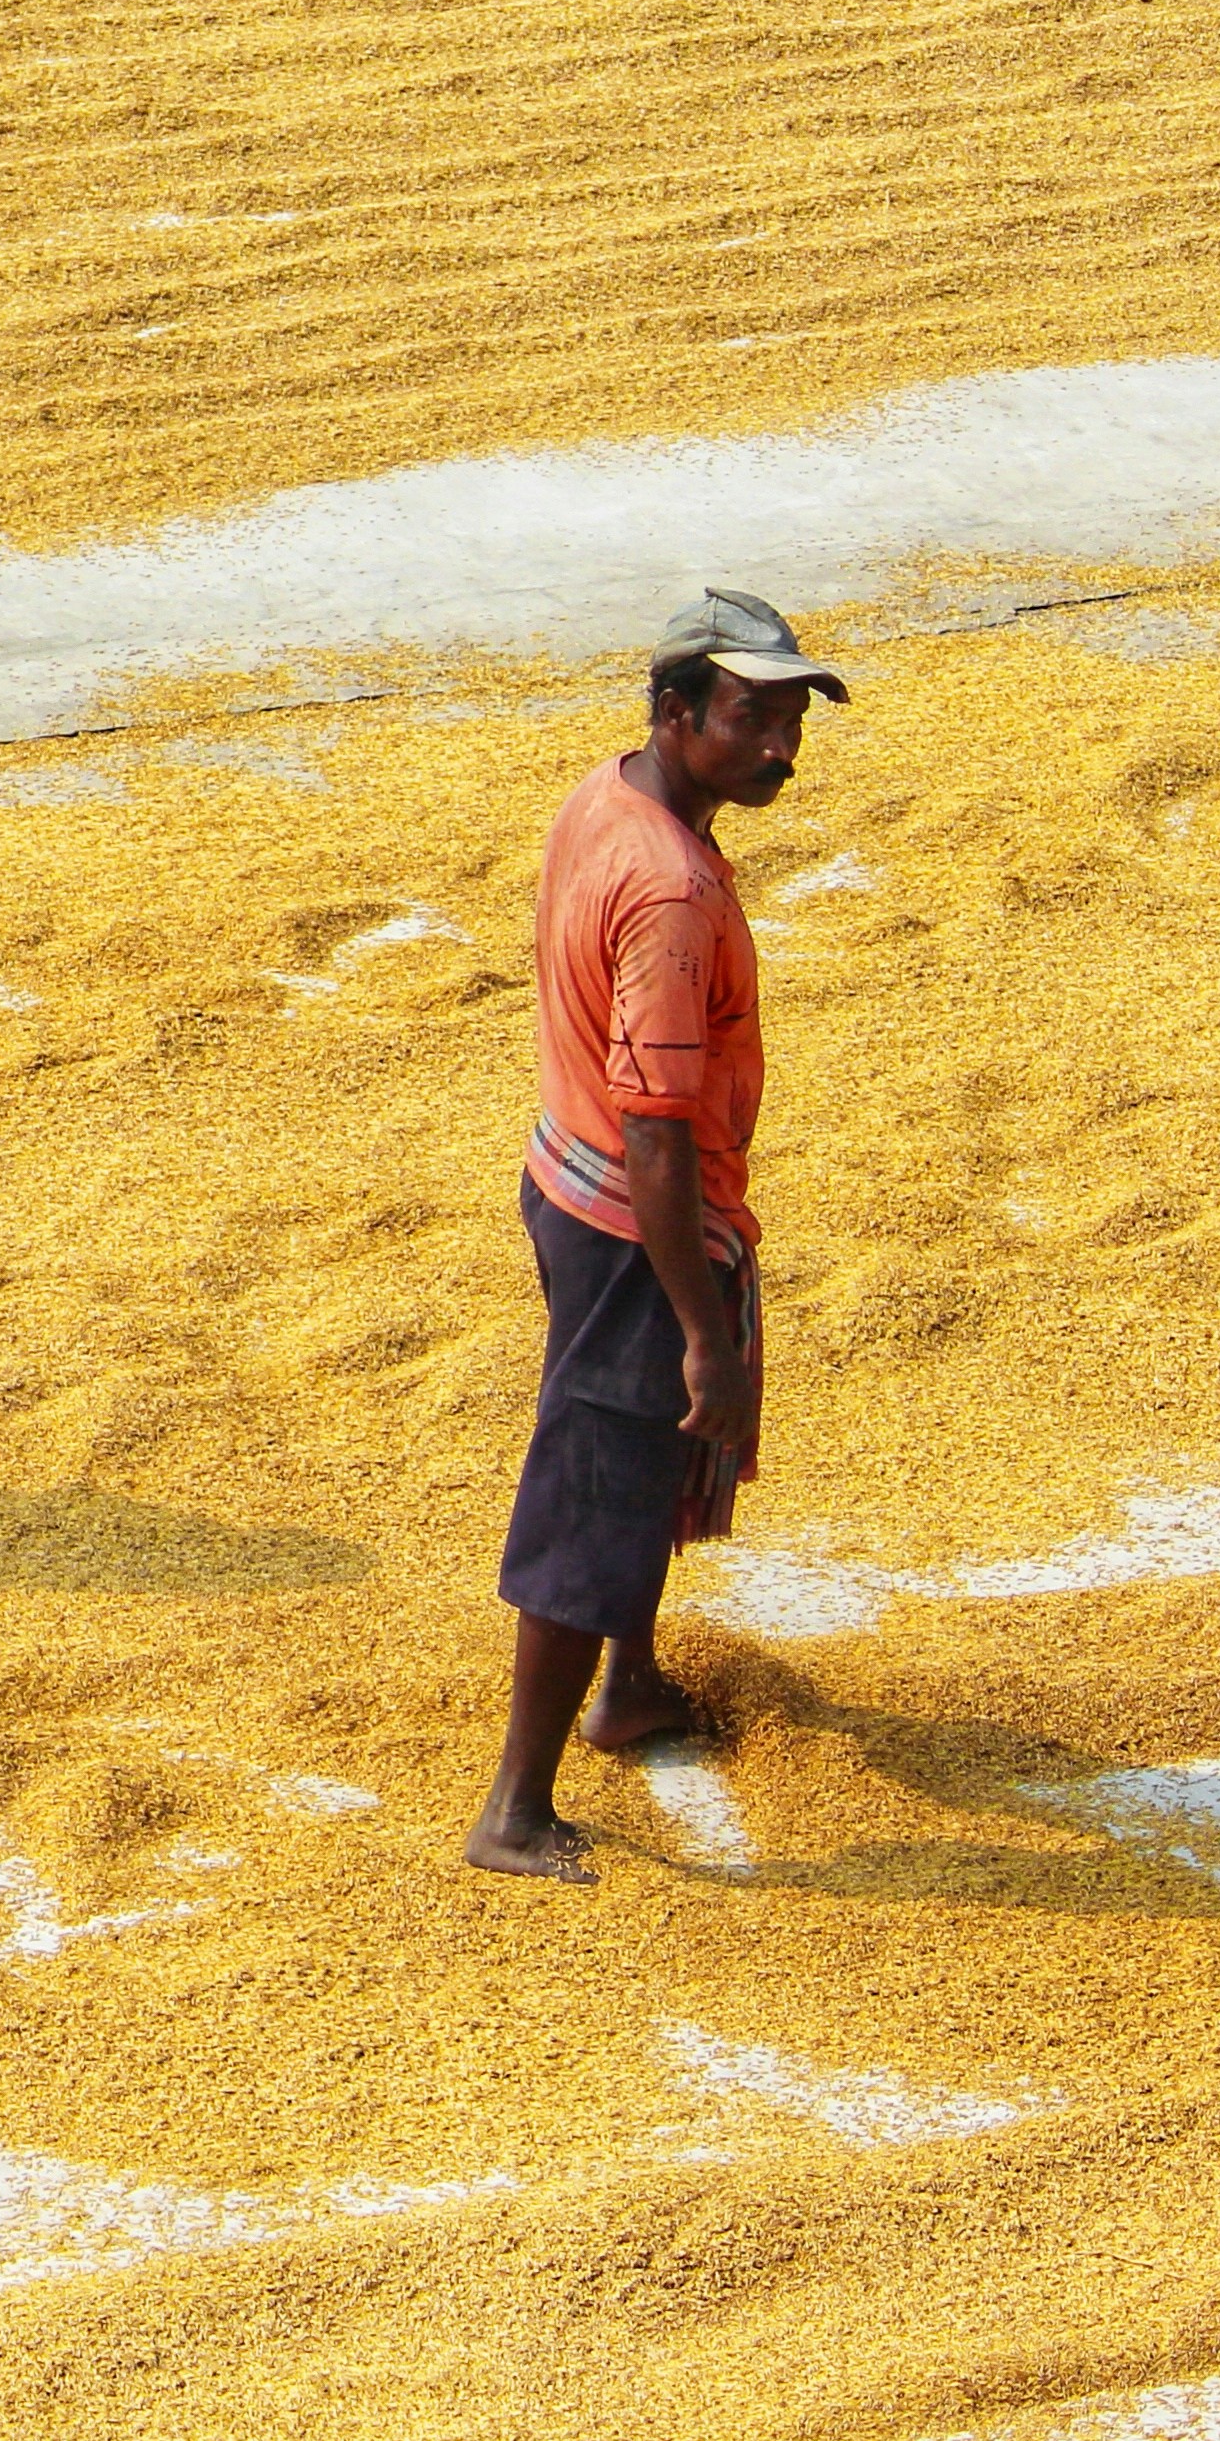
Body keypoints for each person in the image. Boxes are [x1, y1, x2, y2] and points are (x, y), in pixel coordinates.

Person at [464, 589, 846, 1882]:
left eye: (793, 720)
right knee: (598, 1482)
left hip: (565, 1177)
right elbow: (660, 1134)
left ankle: (630, 1685)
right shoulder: (673, 891)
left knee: (635, 1469)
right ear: (678, 714)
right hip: (635, 1229)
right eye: (754, 718)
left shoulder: (605, 797)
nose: (780, 747)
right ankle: (517, 1807)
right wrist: (700, 1332)